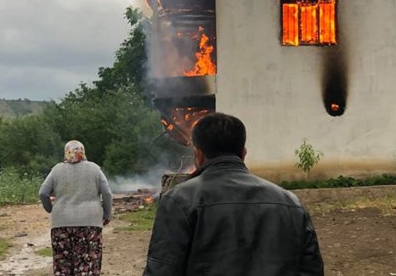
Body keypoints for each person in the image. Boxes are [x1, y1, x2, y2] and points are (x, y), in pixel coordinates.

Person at [143, 112, 324, 276]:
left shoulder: (180, 200)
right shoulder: (290, 202)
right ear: (243, 153)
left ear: (198, 155)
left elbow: (162, 270)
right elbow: (311, 269)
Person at [39, 140, 113, 275]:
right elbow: (107, 193)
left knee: (63, 265)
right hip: (89, 225)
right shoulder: (94, 169)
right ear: (83, 152)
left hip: (61, 225)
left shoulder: (56, 170)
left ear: (66, 153)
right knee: (87, 262)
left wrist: (51, 209)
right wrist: (107, 215)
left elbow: (43, 193)